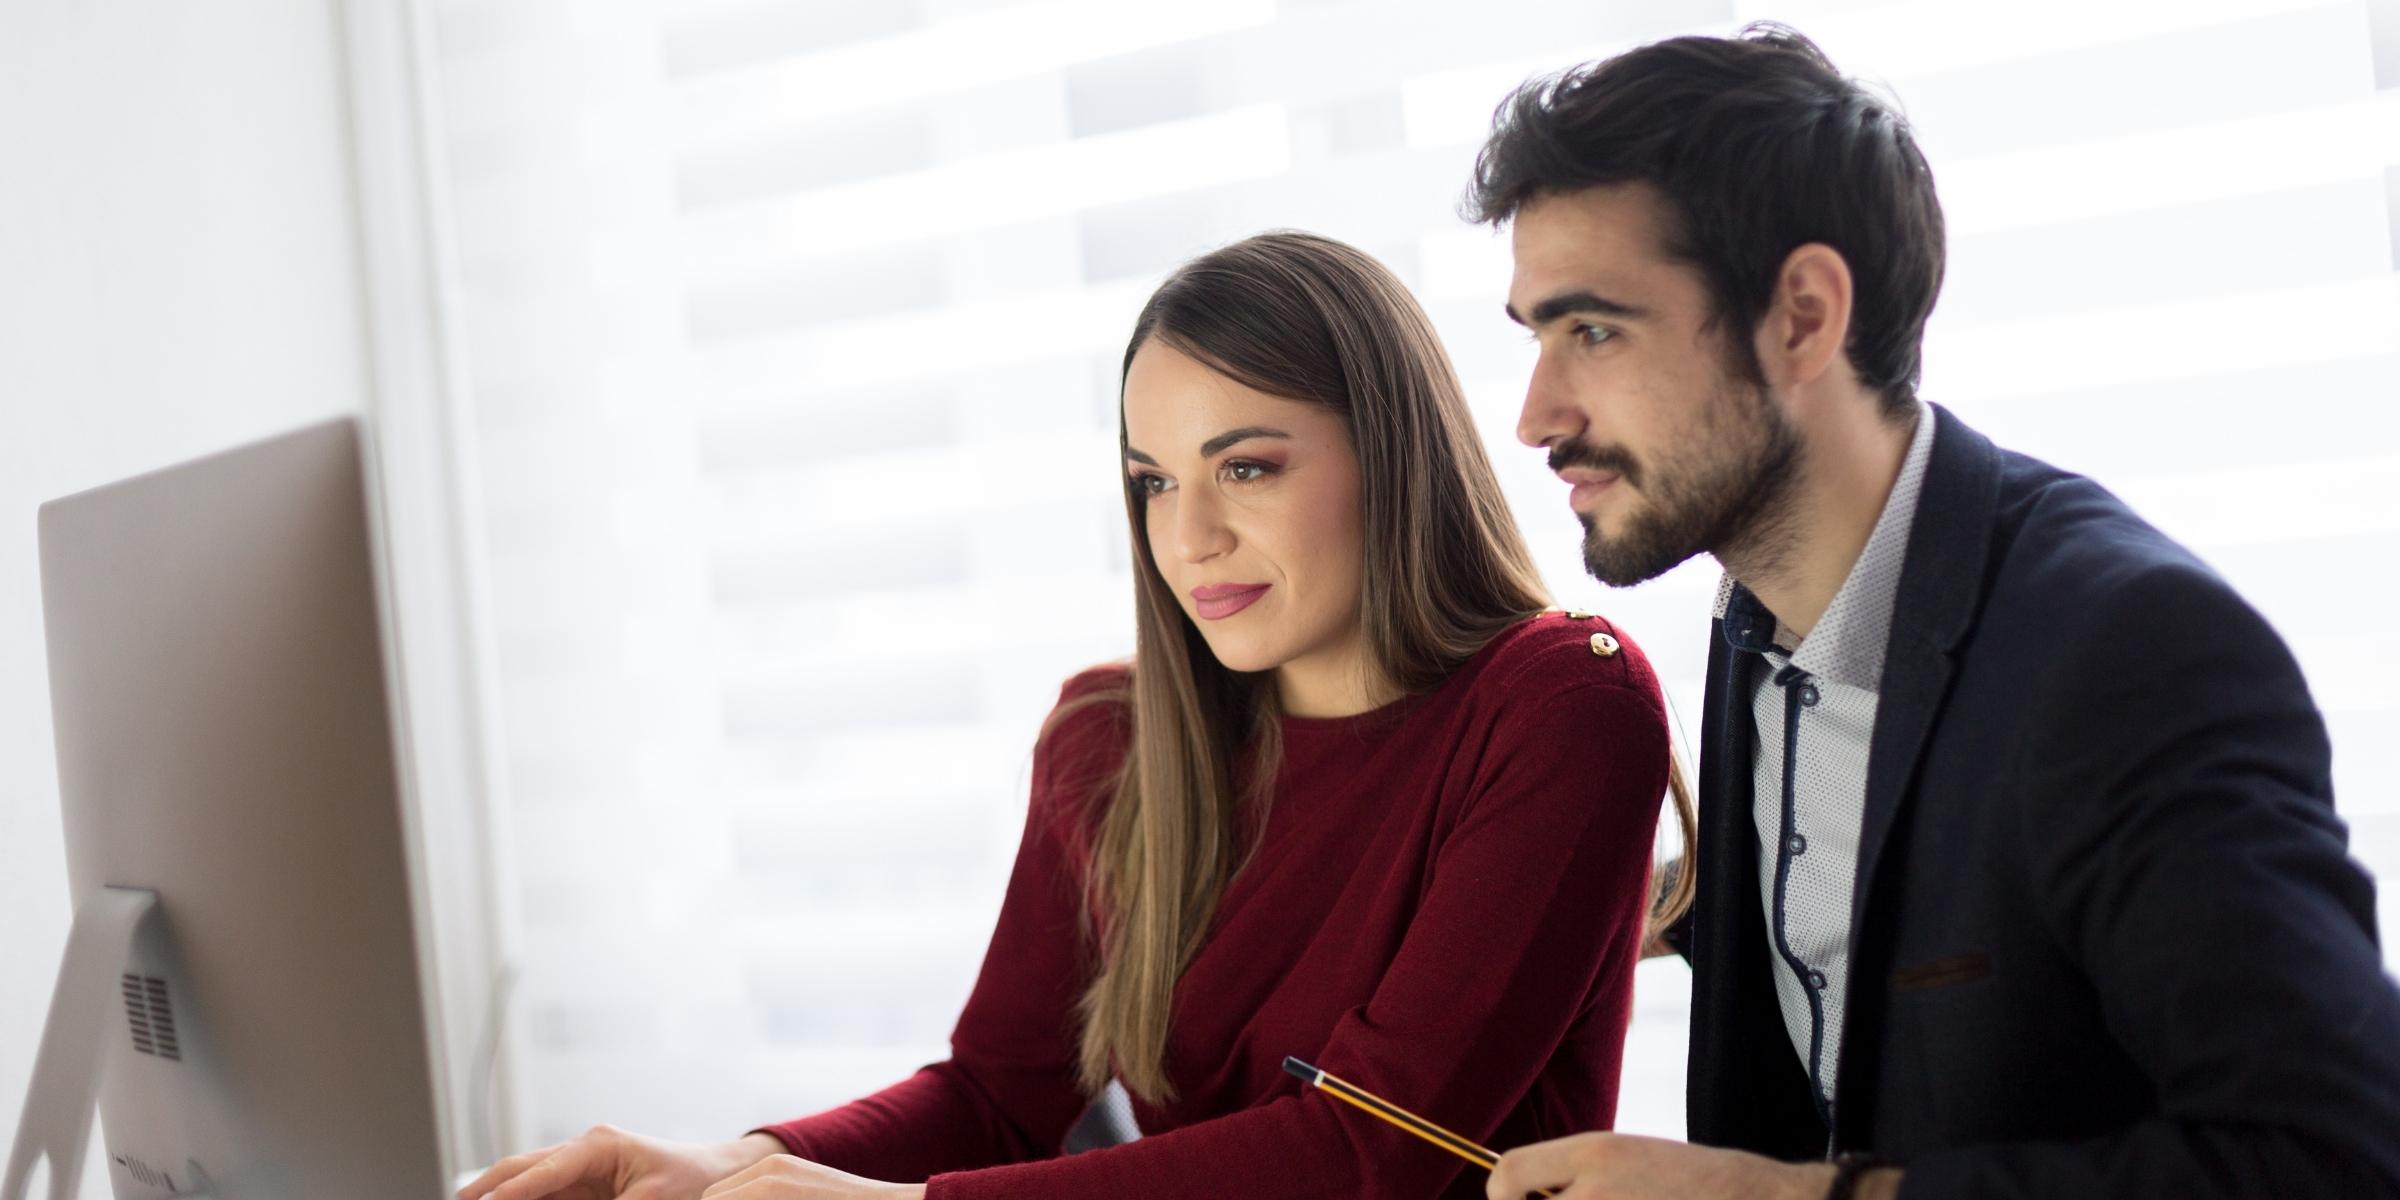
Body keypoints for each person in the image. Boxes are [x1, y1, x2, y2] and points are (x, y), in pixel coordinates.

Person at [458, 231, 1695, 1200]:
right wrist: (730, 1161)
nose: (1189, 535)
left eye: (1246, 466)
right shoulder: (1109, 740)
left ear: (1393, 451)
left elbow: (1371, 1156)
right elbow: (1001, 1097)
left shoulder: (1561, 705)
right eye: (1154, 482)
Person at [1466, 23, 2400, 1200]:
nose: (1536, 415)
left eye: (1591, 330)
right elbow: (1886, 895)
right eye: (1538, 338)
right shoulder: (1753, 606)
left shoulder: (2127, 651)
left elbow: (2338, 1159)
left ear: (1803, 314)